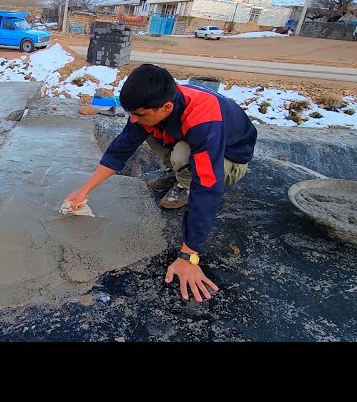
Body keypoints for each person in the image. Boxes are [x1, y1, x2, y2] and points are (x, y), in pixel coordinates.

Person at [64, 64, 257, 302]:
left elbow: (208, 188)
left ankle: (185, 181)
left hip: (230, 158)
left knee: (183, 156)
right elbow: (121, 149)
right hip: (190, 139)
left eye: (139, 113)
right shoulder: (156, 105)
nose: (132, 119)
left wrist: (189, 256)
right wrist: (84, 191)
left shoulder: (203, 119)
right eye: (131, 113)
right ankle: (181, 173)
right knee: (147, 133)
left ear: (166, 107)